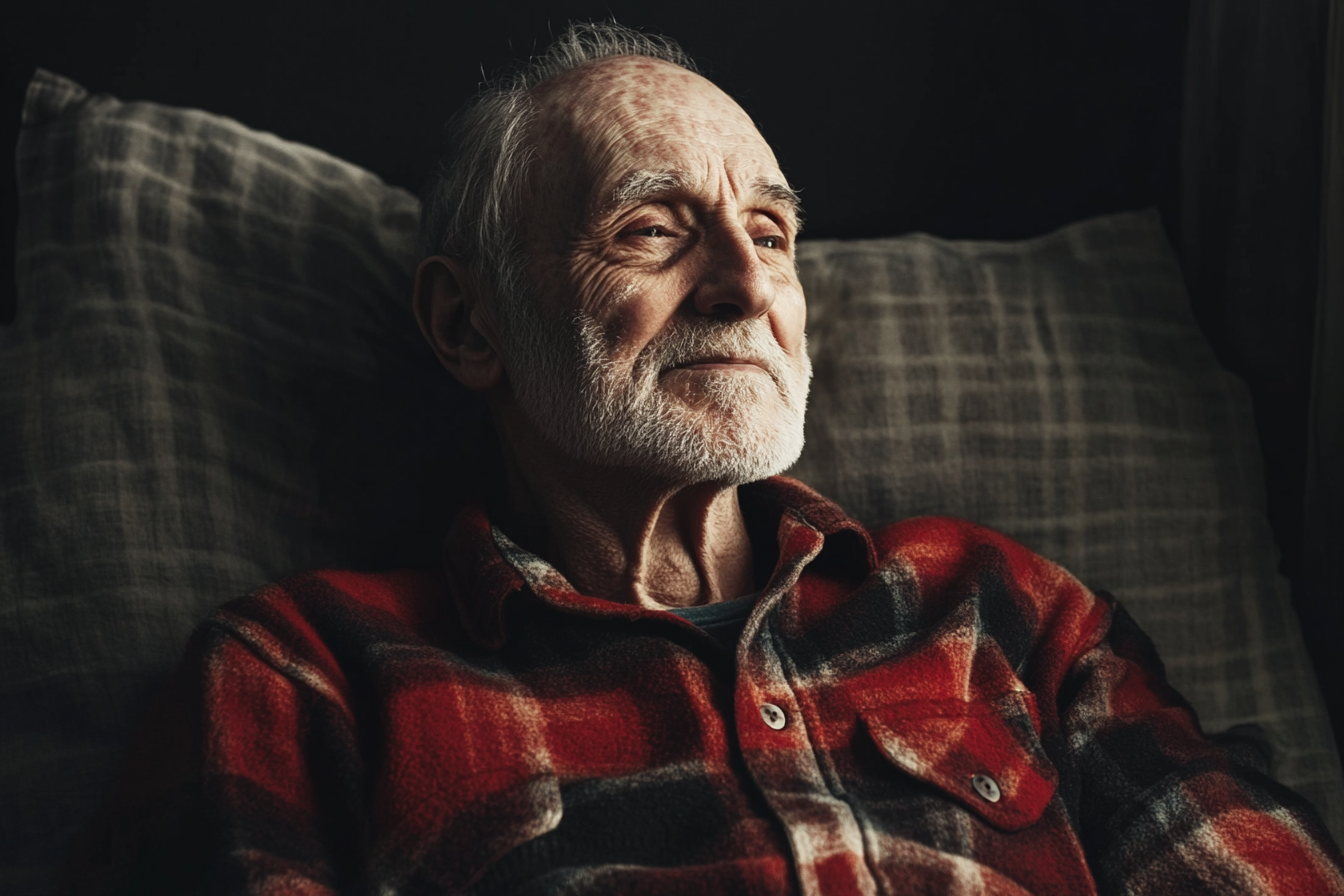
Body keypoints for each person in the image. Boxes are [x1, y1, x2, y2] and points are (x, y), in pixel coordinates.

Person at [60, 22, 1344, 896]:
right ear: (469, 325)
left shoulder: (1001, 605)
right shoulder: (305, 677)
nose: (746, 287)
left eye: (772, 230)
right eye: (653, 228)